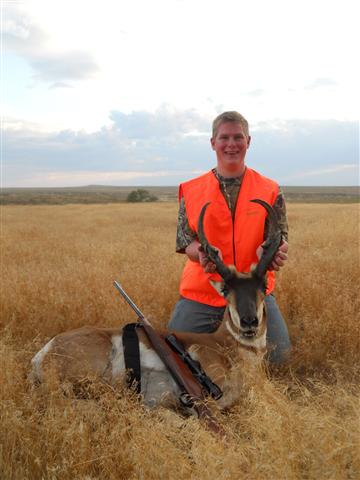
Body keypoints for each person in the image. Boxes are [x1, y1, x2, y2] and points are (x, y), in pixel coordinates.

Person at [168, 111, 291, 363]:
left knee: (278, 360)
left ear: (248, 141)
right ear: (213, 142)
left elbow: (280, 238)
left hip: (253, 291)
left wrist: (276, 253)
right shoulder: (191, 190)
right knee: (177, 357)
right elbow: (185, 242)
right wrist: (199, 252)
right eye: (224, 137)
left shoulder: (270, 189)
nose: (231, 144)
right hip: (204, 291)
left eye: (238, 137)